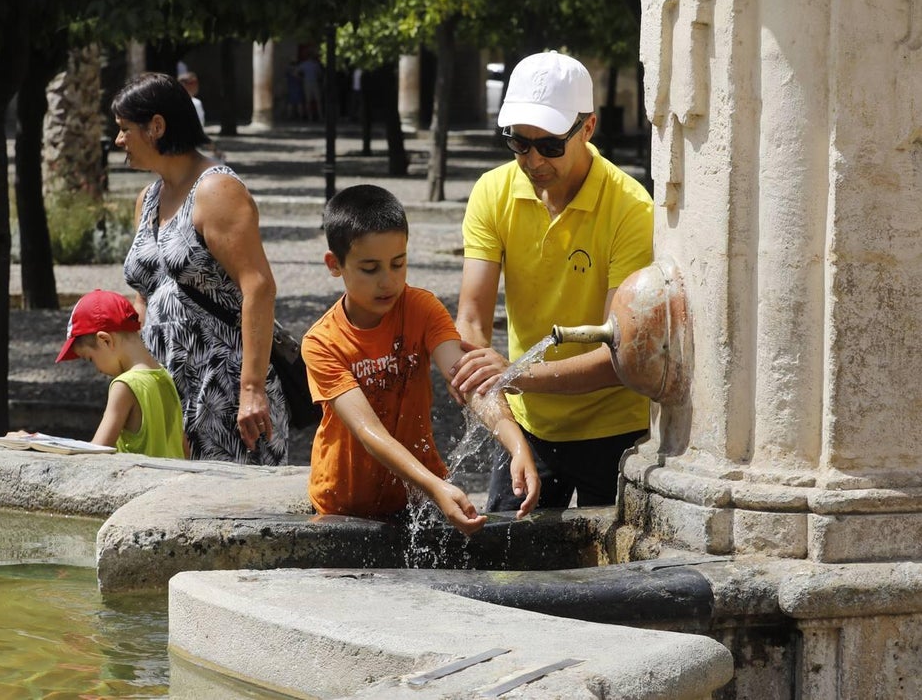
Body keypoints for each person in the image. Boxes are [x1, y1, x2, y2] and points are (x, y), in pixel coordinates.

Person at [450, 51, 654, 512]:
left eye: (550, 146)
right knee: (505, 574)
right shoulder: (492, 191)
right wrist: (481, 384)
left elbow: (619, 353)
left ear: (588, 128)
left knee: (615, 580)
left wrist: (513, 375)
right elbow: (470, 319)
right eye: (519, 144)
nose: (533, 159)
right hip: (528, 422)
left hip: (614, 430)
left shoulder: (631, 208)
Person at [303, 184, 540, 535]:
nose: (389, 281)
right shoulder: (322, 342)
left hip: (414, 498)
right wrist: (435, 486)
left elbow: (468, 380)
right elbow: (369, 432)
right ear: (334, 264)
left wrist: (516, 444)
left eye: (398, 264)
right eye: (370, 268)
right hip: (342, 504)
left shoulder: (422, 309)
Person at [113, 72, 288, 465]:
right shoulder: (149, 198)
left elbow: (258, 287)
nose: (118, 140)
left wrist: (251, 388)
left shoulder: (216, 190)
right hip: (165, 393)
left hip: (224, 393)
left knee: (234, 518)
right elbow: (145, 295)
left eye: (125, 129)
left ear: (156, 127)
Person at [55, 289, 187, 457]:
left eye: (90, 358)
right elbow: (184, 446)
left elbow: (96, 453)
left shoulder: (124, 386)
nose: (96, 368)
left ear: (105, 340)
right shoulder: (165, 376)